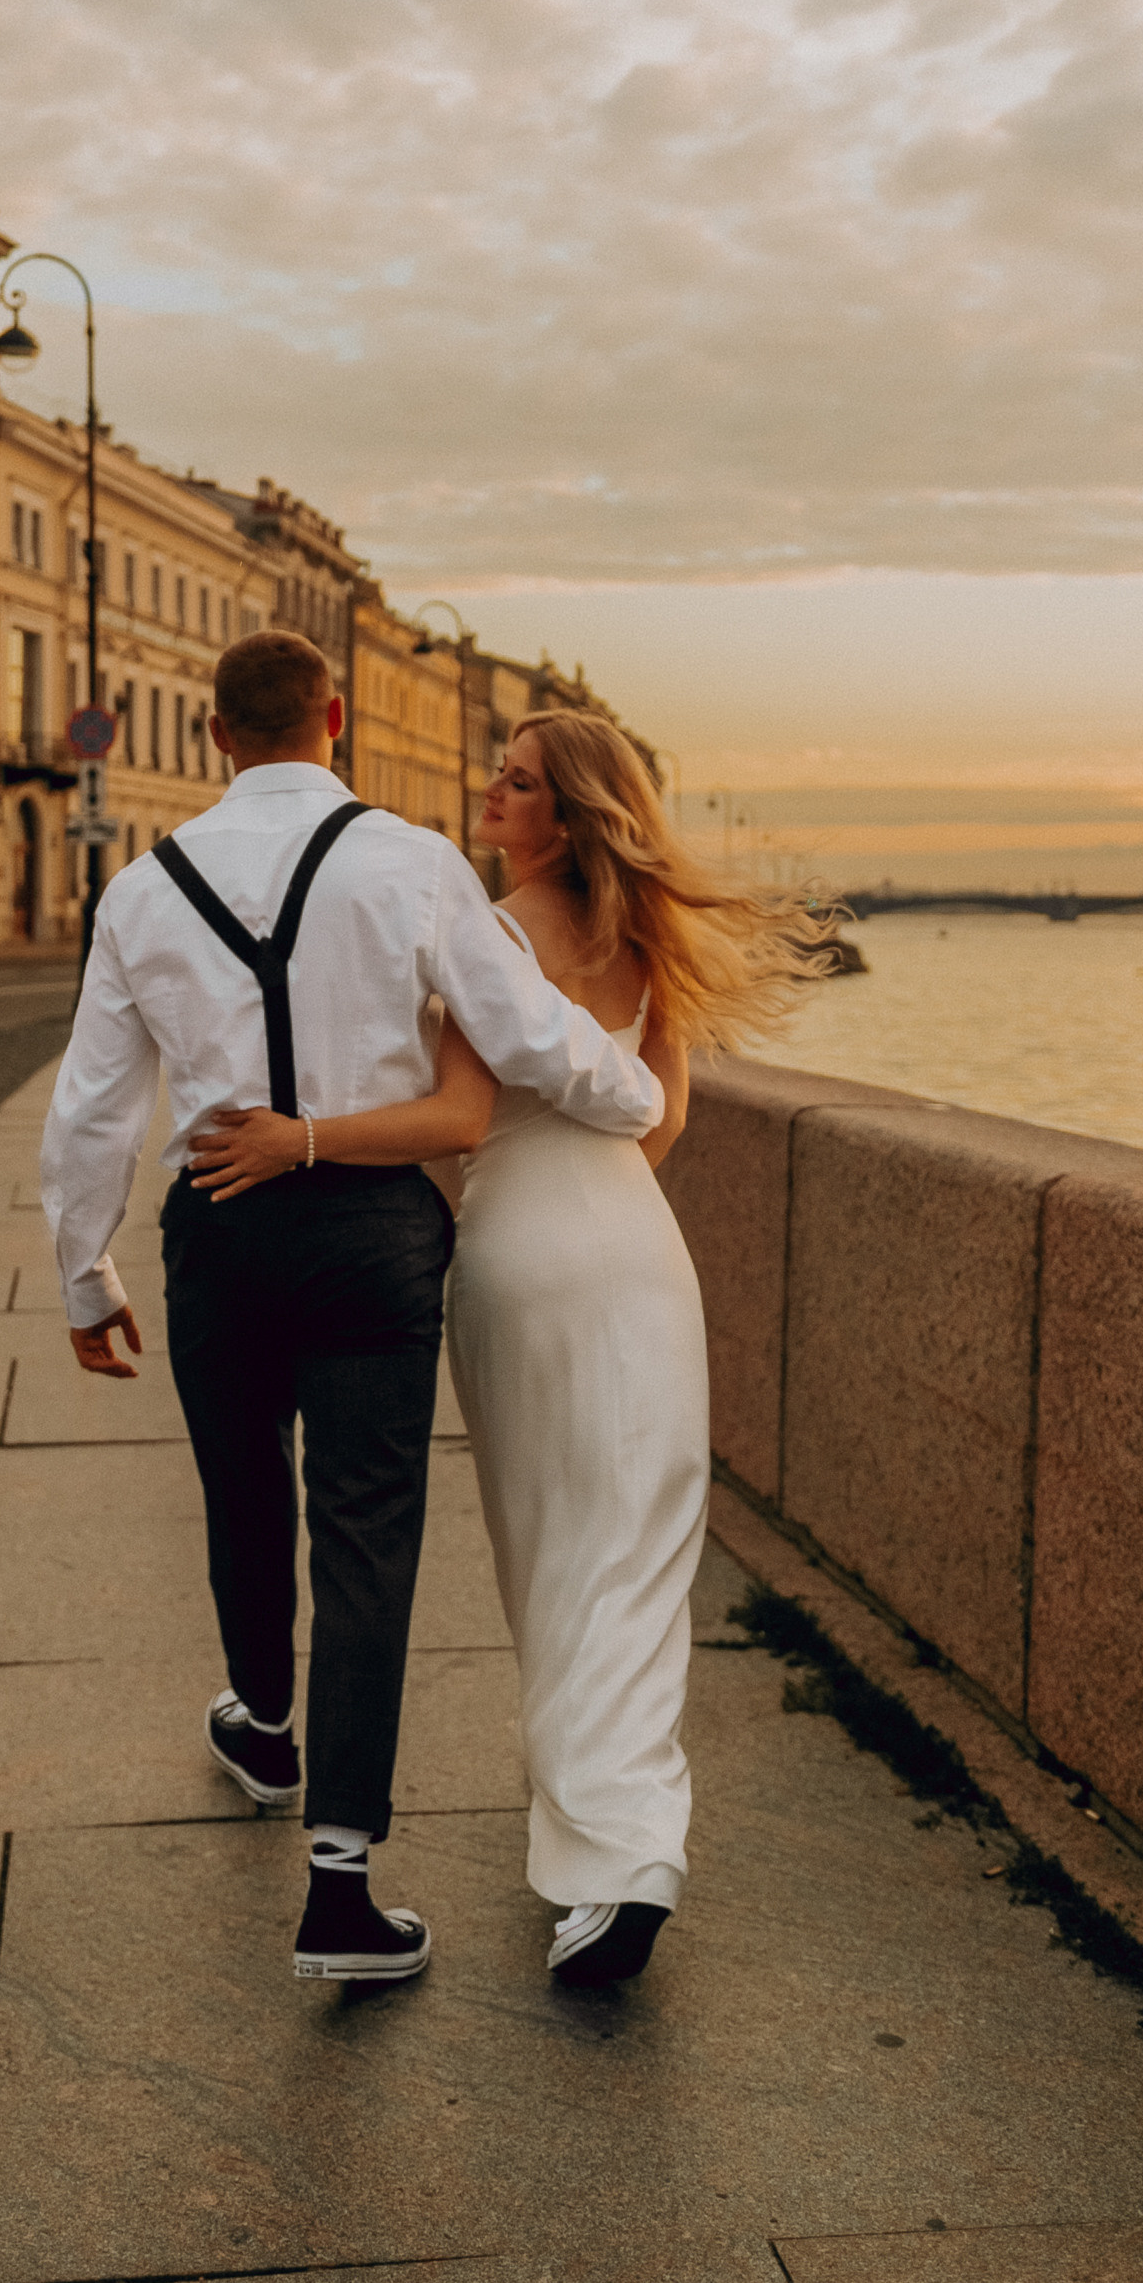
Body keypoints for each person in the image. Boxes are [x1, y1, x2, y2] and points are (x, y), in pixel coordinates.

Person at [39, 633, 664, 1987]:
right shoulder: (412, 862)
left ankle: (264, 1718)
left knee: (243, 1490)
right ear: (336, 718)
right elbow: (524, 1035)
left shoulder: (142, 890)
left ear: (213, 735)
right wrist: (635, 1100)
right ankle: (341, 1882)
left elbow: (93, 1103)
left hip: (219, 1217)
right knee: (368, 1533)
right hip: (376, 1230)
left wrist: (85, 1275)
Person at [192, 710, 827, 1988]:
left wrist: (301, 1142)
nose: (493, 789)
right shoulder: (648, 938)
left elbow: (457, 1120)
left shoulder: (492, 933)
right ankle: (626, 1853)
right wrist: (585, 1187)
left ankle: (606, 1862)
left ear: (567, 813)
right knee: (641, 1553)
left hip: (519, 1257)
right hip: (639, 1251)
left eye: (520, 781)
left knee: (552, 1555)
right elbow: (661, 1120)